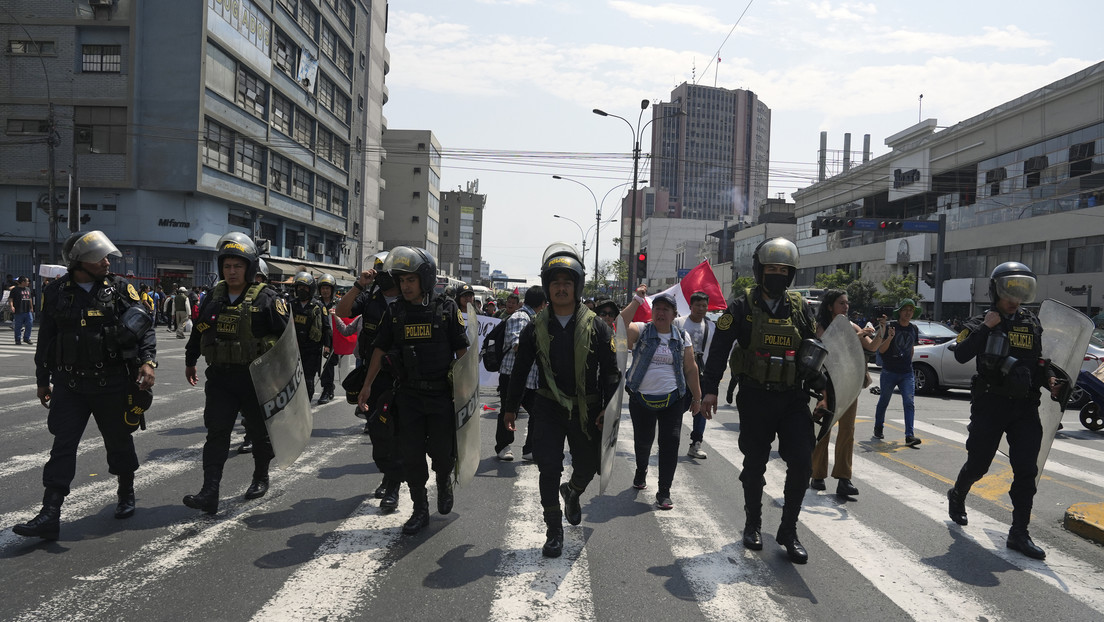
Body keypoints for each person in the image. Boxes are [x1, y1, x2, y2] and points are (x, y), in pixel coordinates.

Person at [13, 231, 157, 540]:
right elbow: (46, 340)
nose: (106, 261)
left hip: (112, 383)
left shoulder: (120, 288)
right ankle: (50, 513)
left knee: (119, 440)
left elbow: (144, 326)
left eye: (106, 256)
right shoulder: (55, 293)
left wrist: (148, 362)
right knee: (62, 446)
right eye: (98, 257)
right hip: (70, 385)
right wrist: (41, 380)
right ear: (79, 263)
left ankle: (126, 490)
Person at [701, 237, 819, 564]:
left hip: (793, 398)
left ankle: (788, 530)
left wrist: (826, 392)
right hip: (755, 397)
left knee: (802, 462)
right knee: (754, 465)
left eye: (784, 269)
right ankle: (752, 522)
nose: (778, 274)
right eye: (772, 269)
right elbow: (720, 348)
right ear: (760, 270)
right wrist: (710, 388)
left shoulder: (800, 308)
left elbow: (814, 351)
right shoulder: (742, 307)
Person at [502, 243, 620, 558]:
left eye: (567, 282)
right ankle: (553, 529)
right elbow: (520, 370)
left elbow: (611, 374)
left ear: (577, 285)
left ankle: (573, 492)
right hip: (548, 407)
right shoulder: (534, 327)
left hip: (588, 409)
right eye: (555, 282)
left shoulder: (598, 327)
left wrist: (608, 412)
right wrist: (510, 407)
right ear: (547, 287)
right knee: (548, 467)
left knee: (588, 466)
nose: (561, 288)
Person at [947, 262, 1060, 560]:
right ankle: (958, 494)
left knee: (1026, 470)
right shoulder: (981, 320)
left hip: (1025, 406)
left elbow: (1038, 361)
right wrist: (987, 327)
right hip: (991, 403)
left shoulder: (1030, 321)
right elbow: (960, 354)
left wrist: (1050, 379)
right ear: (996, 290)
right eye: (1010, 290)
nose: (1016, 297)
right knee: (979, 464)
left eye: (1021, 290)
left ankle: (1019, 533)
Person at [357, 247, 469, 534]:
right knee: (411, 455)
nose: (405, 286)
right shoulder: (395, 313)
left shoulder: (446, 310)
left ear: (425, 279)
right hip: (408, 396)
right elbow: (379, 349)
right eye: (401, 280)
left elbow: (462, 352)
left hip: (441, 396)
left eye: (411, 280)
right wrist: (367, 385)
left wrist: (466, 393)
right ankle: (420, 509)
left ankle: (444, 480)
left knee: (443, 454)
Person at [182, 232, 289, 514]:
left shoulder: (267, 299)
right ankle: (210, 491)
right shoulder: (212, 298)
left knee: (258, 432)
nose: (231, 271)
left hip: (255, 380)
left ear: (250, 268)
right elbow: (199, 330)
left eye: (237, 266)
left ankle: (260, 476)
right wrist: (190, 359)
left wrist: (281, 381)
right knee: (217, 433)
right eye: (227, 266)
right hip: (220, 378)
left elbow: (286, 341)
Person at [620, 290, 701, 510]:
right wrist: (636, 299)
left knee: (670, 443)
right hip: (641, 399)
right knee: (643, 441)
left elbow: (690, 368)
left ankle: (664, 491)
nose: (661, 312)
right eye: (657, 308)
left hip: (673, 400)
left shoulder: (681, 336)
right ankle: (641, 470)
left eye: (666, 309)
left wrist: (697, 397)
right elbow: (619, 326)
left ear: (674, 313)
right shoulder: (642, 330)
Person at [336, 251, 405, 510]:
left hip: (402, 375)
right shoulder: (370, 296)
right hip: (372, 374)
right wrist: (358, 284)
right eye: (378, 270)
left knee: (396, 430)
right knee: (377, 430)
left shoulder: (411, 296)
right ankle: (388, 473)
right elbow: (342, 311)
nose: (382, 276)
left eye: (387, 271)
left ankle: (393, 484)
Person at [809, 290, 883, 497]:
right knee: (823, 431)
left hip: (849, 384)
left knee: (847, 432)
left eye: (847, 303)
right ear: (830, 306)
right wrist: (856, 337)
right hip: (826, 386)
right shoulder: (821, 327)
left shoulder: (852, 327)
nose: (846, 306)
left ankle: (844, 478)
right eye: (841, 303)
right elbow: (829, 349)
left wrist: (881, 332)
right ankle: (817, 475)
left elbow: (871, 346)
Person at [494, 285, 546, 461]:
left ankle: (529, 449)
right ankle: (503, 446)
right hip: (512, 374)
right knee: (508, 410)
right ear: (542, 303)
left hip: (530, 377)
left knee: (538, 412)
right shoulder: (520, 317)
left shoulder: (534, 318)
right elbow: (518, 345)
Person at [873, 298, 921, 445]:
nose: (908, 313)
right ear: (899, 312)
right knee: (884, 401)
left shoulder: (913, 328)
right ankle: (878, 426)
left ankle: (909, 435)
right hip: (889, 371)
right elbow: (881, 350)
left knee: (909, 402)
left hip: (906, 372)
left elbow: (911, 348)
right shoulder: (890, 327)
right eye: (905, 310)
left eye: (911, 310)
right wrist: (890, 337)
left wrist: (908, 363)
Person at [673, 291, 714, 460]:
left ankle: (696, 444)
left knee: (701, 410)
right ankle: (669, 442)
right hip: (679, 375)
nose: (701, 309)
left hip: (702, 375)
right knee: (675, 411)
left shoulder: (711, 326)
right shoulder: (678, 322)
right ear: (690, 306)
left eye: (704, 306)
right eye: (697, 305)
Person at [290, 271, 331, 402]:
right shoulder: (291, 305)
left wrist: (327, 346)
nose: (301, 290)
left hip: (311, 350)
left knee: (308, 378)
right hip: (293, 349)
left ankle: (306, 403)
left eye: (304, 287)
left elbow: (326, 328)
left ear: (311, 289)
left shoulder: (318, 307)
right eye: (299, 287)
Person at [316, 273, 340, 404]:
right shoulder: (316, 303)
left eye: (328, 288)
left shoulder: (338, 303)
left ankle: (328, 387)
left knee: (329, 364)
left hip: (333, 338)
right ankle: (327, 387)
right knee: (320, 365)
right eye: (323, 288)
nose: (325, 291)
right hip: (317, 337)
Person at [10, 275, 34, 345]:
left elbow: (30, 299)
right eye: (27, 281)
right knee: (18, 326)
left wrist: (31, 307)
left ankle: (26, 338)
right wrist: (12, 306)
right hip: (19, 310)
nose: (28, 282)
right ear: (22, 282)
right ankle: (17, 339)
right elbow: (11, 298)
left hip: (27, 310)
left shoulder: (28, 289)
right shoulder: (15, 290)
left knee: (30, 323)